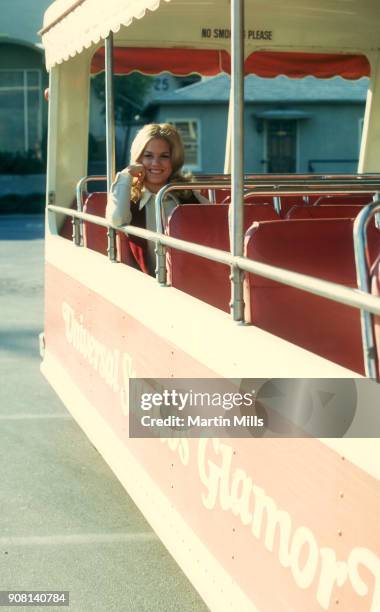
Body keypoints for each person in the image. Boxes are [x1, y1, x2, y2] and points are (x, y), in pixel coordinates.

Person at [106, 123, 207, 274]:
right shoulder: (128, 199)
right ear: (138, 159)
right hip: (145, 287)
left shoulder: (191, 198)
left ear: (174, 160)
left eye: (164, 156)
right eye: (148, 156)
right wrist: (126, 175)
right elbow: (116, 219)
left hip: (189, 288)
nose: (155, 163)